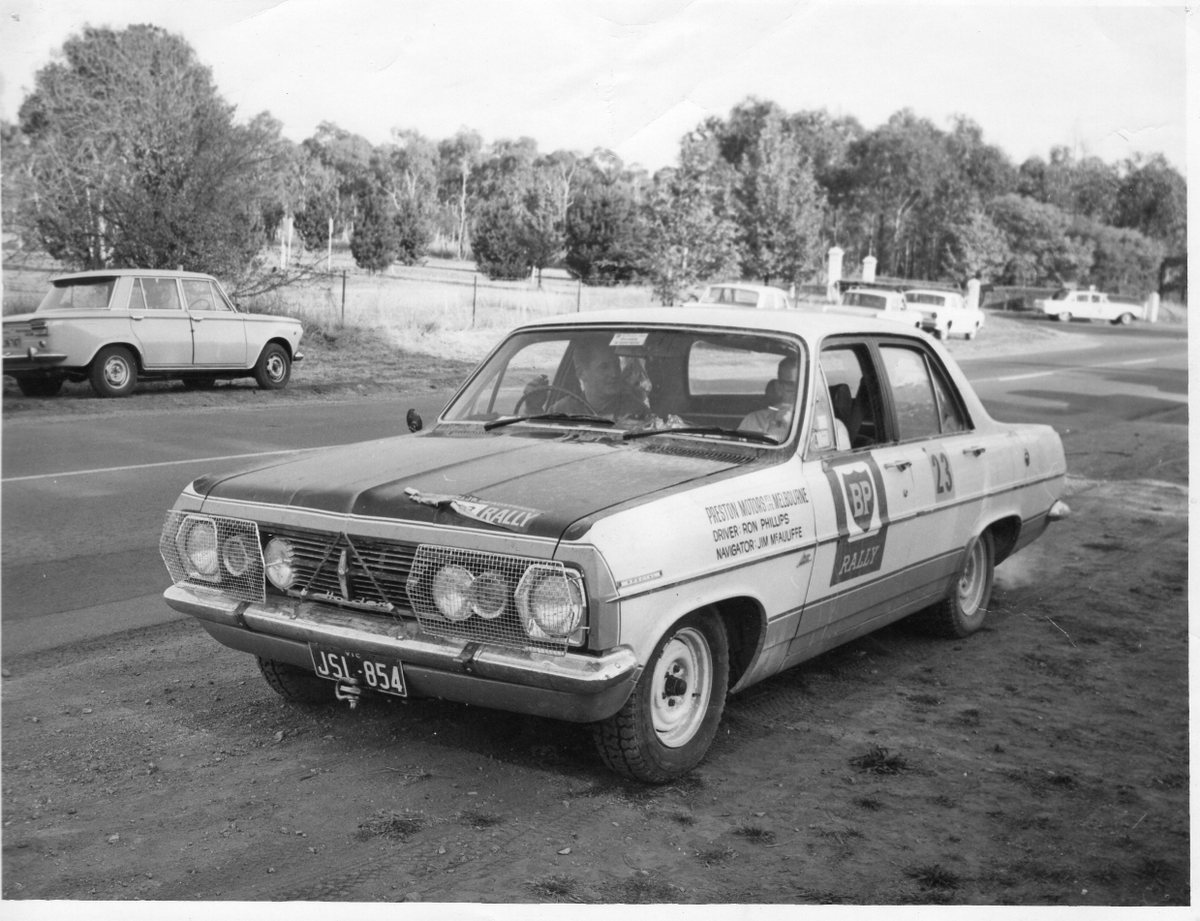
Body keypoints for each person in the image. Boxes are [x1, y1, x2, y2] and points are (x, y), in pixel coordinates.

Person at [551, 338, 652, 424]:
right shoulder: (562, 410)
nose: (614, 374)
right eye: (604, 367)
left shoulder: (637, 411)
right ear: (581, 373)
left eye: (616, 365)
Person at [739, 355, 800, 442]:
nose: (799, 391)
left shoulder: (816, 420)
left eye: (804, 385)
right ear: (779, 387)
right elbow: (741, 448)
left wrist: (792, 426)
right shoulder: (754, 420)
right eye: (791, 385)